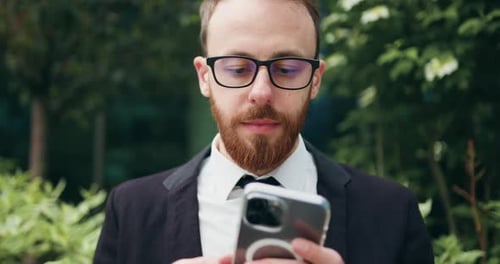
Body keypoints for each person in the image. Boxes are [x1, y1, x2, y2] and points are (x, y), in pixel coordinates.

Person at [93, 0, 435, 263]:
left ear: (315, 80)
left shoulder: (392, 213)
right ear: (204, 77)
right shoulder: (132, 212)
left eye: (286, 69)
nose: (261, 92)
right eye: (238, 68)